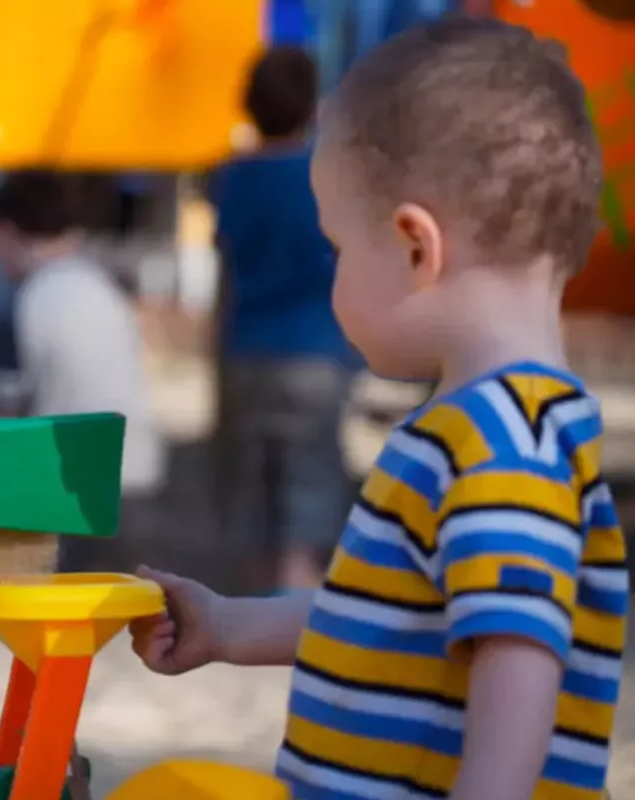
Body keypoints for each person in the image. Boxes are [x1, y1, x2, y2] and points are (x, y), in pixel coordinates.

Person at [132, 18, 625, 800]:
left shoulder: (503, 442)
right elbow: (384, 613)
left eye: (337, 247)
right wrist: (229, 626)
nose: (335, 275)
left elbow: (522, 658)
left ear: (414, 248)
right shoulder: (484, 427)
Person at [209, 45, 356, 592]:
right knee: (309, 481)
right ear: (312, 107)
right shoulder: (325, 177)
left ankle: (246, 598)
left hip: (246, 346)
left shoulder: (231, 178)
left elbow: (225, 266)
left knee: (249, 483)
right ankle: (294, 590)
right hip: (315, 348)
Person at [0, 170, 166, 572]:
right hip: (136, 481)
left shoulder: (25, 300)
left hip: (67, 493)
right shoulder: (103, 288)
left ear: (6, 232)